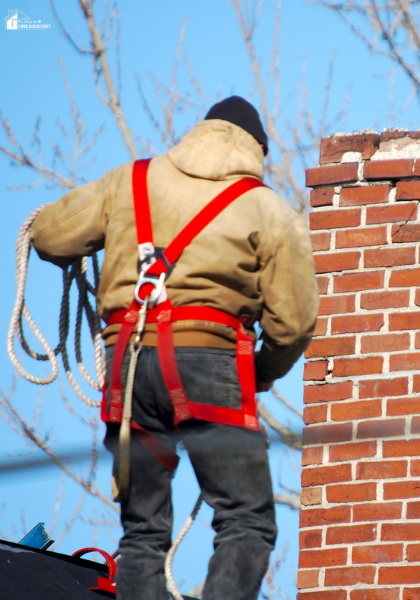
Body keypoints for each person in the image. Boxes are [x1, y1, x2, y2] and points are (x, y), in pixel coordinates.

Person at [30, 96, 319, 600]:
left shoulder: (130, 181)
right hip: (209, 364)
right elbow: (293, 324)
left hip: (129, 365)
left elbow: (50, 236)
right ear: (256, 150)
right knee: (245, 519)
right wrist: (263, 371)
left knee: (142, 531)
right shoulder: (266, 207)